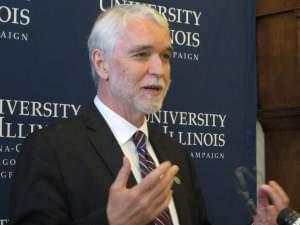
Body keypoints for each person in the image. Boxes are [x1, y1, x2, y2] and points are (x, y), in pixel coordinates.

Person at [9, 4, 289, 225]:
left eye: (165, 56)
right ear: (101, 64)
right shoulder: (50, 150)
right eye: (142, 54)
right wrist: (111, 222)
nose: (159, 69)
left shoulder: (174, 154)